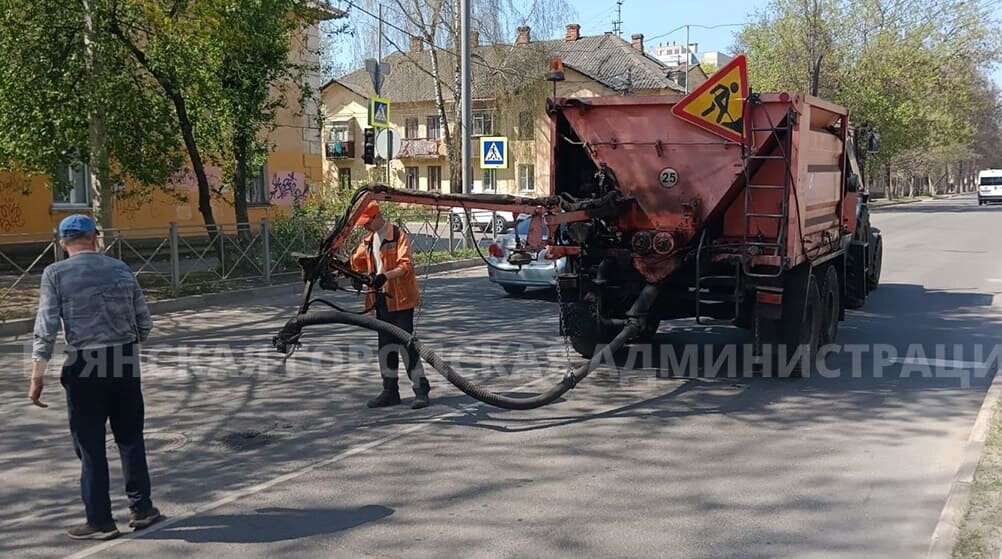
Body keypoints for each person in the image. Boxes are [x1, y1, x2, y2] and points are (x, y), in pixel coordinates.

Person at [27, 215, 161, 540]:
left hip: (85, 362)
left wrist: (37, 376)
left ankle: (100, 520)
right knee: (130, 437)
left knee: (90, 445)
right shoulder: (121, 268)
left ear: (62, 242)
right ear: (95, 238)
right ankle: (142, 508)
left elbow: (45, 328)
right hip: (124, 357)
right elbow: (144, 321)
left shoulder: (55, 274)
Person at [349, 201, 431, 409]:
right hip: (380, 301)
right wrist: (349, 273)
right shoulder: (368, 240)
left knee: (407, 345)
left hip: (401, 300)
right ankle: (389, 392)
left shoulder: (397, 235)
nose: (365, 227)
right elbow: (355, 263)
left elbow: (406, 265)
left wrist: (385, 276)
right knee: (385, 346)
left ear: (377, 217)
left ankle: (421, 391)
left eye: (367, 222)